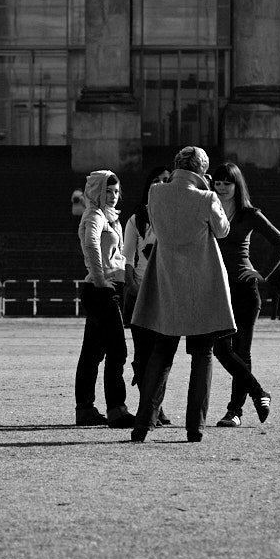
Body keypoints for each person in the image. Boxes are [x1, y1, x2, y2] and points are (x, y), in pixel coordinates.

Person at [129, 146, 253, 444]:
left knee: (162, 352)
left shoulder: (156, 193)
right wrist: (207, 191)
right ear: (201, 170)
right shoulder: (207, 197)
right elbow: (222, 231)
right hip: (201, 283)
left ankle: (143, 424)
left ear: (176, 166)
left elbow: (157, 226)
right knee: (202, 355)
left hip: (167, 281)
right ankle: (194, 427)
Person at [209, 161, 280, 426]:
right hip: (218, 289)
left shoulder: (249, 214)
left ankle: (235, 412)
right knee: (220, 348)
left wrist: (262, 273)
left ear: (237, 184)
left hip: (244, 288)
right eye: (217, 183)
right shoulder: (208, 209)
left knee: (242, 351)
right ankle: (259, 392)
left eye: (226, 183)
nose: (221, 188)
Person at [74, 171, 134, 428]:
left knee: (93, 352)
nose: (112, 196)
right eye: (107, 191)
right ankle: (116, 409)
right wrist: (99, 278)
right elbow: (91, 244)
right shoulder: (94, 215)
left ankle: (85, 409)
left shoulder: (110, 217)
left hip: (109, 287)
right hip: (102, 290)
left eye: (116, 191)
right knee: (117, 350)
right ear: (96, 191)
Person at [121, 165, 173, 426]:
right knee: (143, 353)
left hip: (166, 293)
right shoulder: (136, 219)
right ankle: (151, 406)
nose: (162, 185)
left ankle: (155, 405)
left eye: (167, 180)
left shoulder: (175, 214)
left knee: (161, 353)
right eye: (157, 180)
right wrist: (132, 287)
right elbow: (127, 256)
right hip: (141, 292)